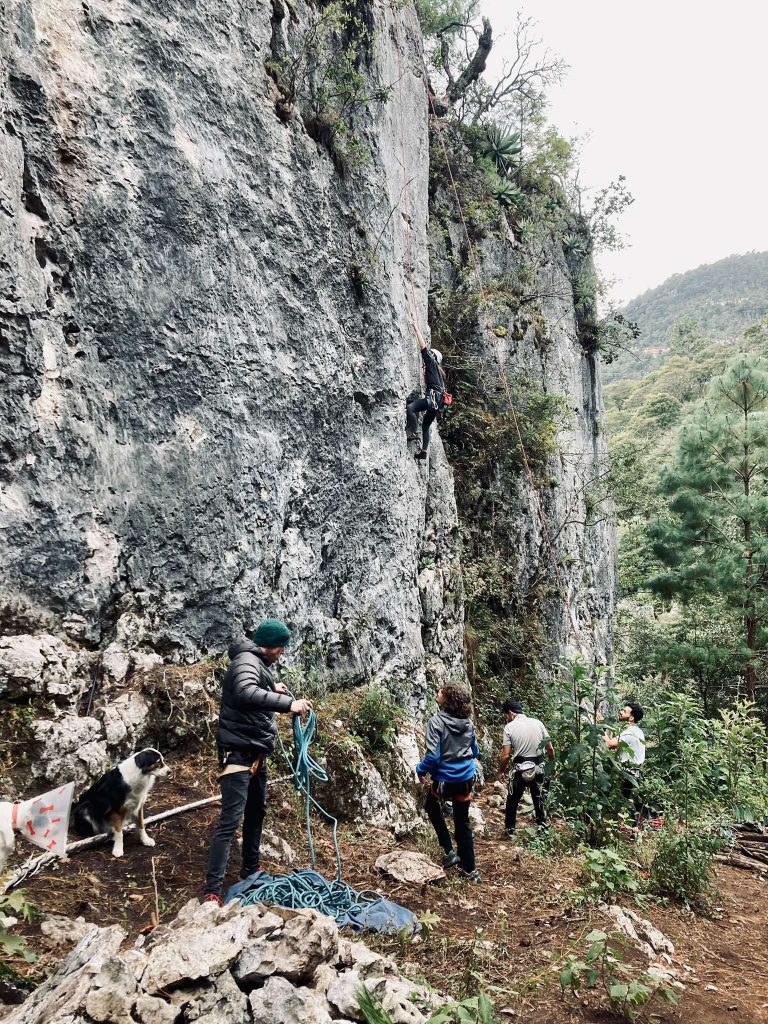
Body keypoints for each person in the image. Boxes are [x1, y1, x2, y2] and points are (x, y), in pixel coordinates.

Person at [203, 619, 311, 904]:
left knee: (255, 814)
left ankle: (250, 868)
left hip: (253, 755)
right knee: (230, 821)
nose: (282, 653)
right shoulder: (246, 661)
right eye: (281, 648)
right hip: (239, 755)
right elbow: (244, 691)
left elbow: (250, 691)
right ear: (271, 645)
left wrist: (271, 687)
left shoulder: (253, 662)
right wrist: (288, 704)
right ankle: (212, 890)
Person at [416, 683, 480, 882]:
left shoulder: (436, 722)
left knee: (431, 807)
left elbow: (433, 757)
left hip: (444, 778)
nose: (438, 691)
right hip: (465, 779)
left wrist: (420, 769)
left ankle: (449, 850)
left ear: (448, 700)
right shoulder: (468, 723)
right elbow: (475, 752)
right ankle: (470, 870)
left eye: (441, 691)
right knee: (462, 821)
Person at [497, 699, 554, 836]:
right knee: (539, 799)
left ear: (510, 713)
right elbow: (550, 749)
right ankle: (543, 829)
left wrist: (500, 772)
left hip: (520, 769)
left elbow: (506, 755)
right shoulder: (538, 723)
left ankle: (510, 829)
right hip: (539, 768)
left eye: (506, 715)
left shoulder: (509, 727)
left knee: (512, 800)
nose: (507, 718)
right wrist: (552, 766)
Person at [406, 319, 447, 461]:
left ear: (434, 357)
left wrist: (416, 328)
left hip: (432, 400)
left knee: (410, 408)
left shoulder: (431, 362)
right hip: (437, 404)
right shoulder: (439, 374)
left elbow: (423, 348)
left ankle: (412, 432)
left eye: (431, 353)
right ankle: (423, 451)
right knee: (426, 426)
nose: (429, 354)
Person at [604, 702, 645, 825]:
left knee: (623, 800)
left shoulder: (629, 732)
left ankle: (630, 829)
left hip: (627, 772)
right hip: (635, 772)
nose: (621, 712)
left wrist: (600, 727)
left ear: (631, 718)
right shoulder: (637, 732)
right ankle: (629, 828)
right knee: (627, 801)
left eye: (624, 711)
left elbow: (610, 744)